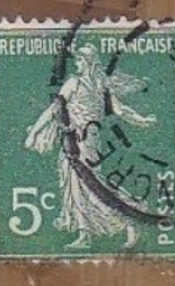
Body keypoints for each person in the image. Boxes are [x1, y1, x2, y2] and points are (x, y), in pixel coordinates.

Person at [23, 42, 155, 250]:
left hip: (81, 141)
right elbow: (121, 111)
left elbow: (52, 110)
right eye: (77, 59)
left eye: (80, 60)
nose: (76, 63)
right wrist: (141, 119)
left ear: (88, 62)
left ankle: (129, 217)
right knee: (81, 186)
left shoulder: (75, 83)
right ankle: (88, 233)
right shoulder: (99, 83)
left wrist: (33, 133)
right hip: (86, 139)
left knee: (89, 185)